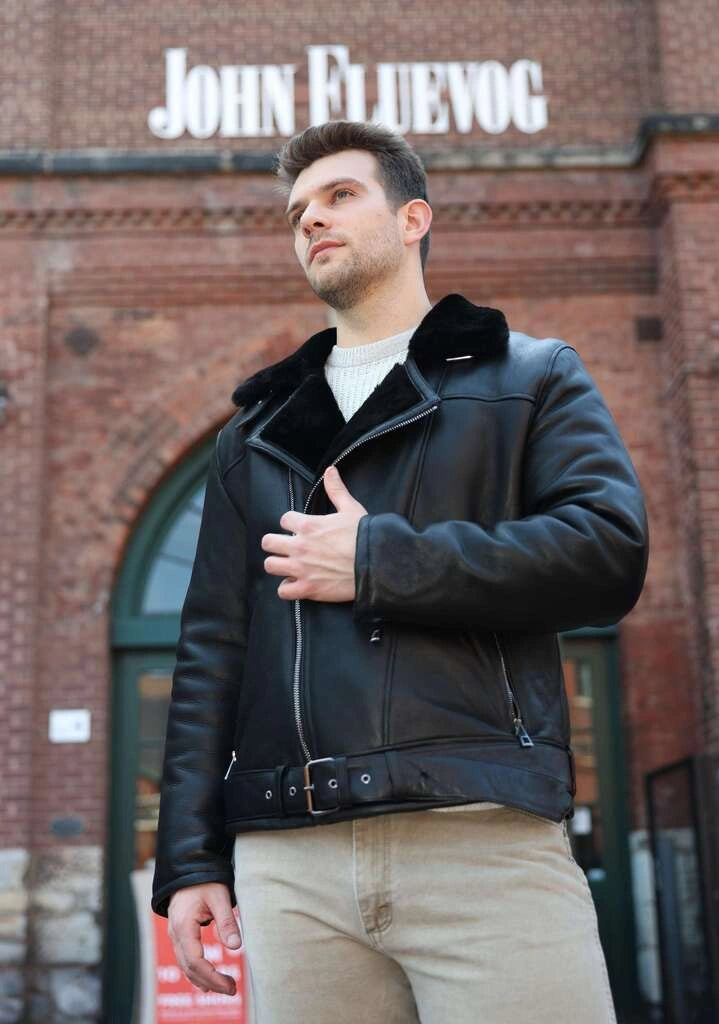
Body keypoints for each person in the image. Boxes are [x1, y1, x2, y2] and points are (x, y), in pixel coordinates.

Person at [151, 120, 649, 1022]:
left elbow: (606, 552)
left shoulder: (530, 377)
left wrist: (383, 559)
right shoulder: (251, 438)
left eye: (340, 196)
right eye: (297, 210)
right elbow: (210, 653)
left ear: (413, 217)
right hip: (291, 864)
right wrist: (189, 861)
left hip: (479, 839)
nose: (311, 220)